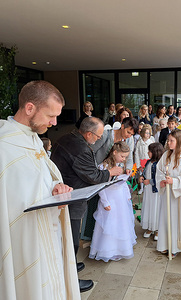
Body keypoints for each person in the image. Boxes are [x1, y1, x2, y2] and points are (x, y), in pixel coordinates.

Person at [0, 80, 80, 299]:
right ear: (29, 108)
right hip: (22, 238)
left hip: (47, 230)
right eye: (50, 116)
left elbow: (43, 178)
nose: (54, 122)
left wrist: (57, 187)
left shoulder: (33, 140)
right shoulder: (4, 146)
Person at [51, 117, 124, 293]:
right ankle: (70, 281)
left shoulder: (67, 137)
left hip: (67, 194)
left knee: (68, 238)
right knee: (71, 239)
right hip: (72, 198)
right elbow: (93, 175)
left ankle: (70, 266)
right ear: (89, 134)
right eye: (98, 136)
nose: (99, 139)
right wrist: (110, 172)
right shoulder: (81, 148)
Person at [89, 142, 137, 262]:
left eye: (125, 157)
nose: (124, 159)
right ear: (114, 152)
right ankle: (108, 250)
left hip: (120, 198)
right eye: (122, 156)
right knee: (109, 224)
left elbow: (123, 182)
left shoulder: (121, 164)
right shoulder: (104, 167)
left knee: (121, 223)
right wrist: (105, 202)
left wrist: (127, 195)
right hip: (110, 198)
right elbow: (101, 186)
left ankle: (121, 249)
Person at [156, 129, 181, 257]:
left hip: (178, 196)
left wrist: (174, 181)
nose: (169, 142)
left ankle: (175, 246)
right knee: (166, 218)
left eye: (172, 140)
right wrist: (162, 180)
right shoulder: (166, 154)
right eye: (168, 140)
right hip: (167, 192)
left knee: (176, 219)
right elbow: (159, 170)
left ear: (180, 141)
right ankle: (165, 244)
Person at [139, 143, 164, 240]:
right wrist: (142, 177)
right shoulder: (148, 162)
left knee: (155, 208)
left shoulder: (159, 164)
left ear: (155, 152)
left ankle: (157, 229)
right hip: (148, 190)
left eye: (149, 151)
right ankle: (150, 228)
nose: (147, 153)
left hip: (155, 191)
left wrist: (149, 181)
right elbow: (146, 173)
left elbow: (160, 178)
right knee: (148, 207)